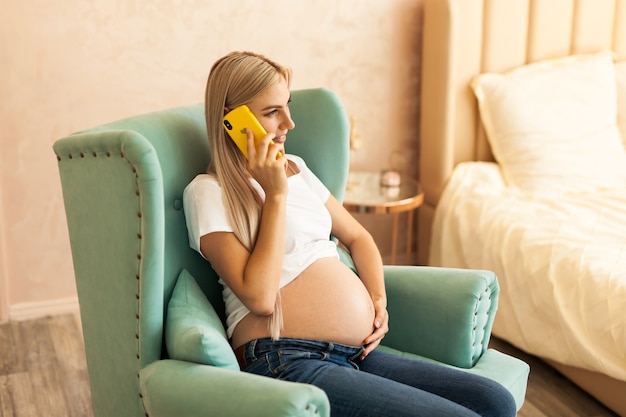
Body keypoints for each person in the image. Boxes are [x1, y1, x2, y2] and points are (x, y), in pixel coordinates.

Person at [183, 51, 517, 417]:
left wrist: (377, 301)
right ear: (233, 121)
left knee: (494, 401)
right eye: (271, 112)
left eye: (287, 107)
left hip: (352, 355)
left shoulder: (296, 168)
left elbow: (358, 238)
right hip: (285, 359)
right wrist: (274, 195)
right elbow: (261, 298)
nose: (290, 124)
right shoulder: (208, 192)